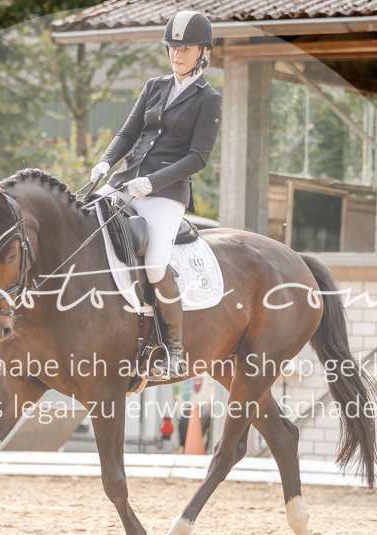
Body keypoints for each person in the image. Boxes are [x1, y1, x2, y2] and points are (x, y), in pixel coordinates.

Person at [90, 10, 221, 381]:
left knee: (155, 264)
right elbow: (128, 131)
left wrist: (152, 183)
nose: (176, 55)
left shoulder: (209, 99)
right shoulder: (154, 86)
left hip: (167, 192)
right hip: (125, 179)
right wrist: (105, 162)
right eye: (172, 48)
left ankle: (175, 351)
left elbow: (198, 157)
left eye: (185, 48)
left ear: (202, 51)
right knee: (85, 227)